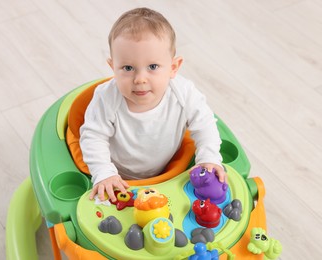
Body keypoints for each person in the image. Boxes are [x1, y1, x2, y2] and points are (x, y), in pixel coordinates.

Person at [80, 7, 226, 202]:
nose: (140, 79)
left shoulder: (184, 93)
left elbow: (205, 124)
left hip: (167, 173)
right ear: (112, 67)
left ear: (173, 67)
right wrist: (104, 173)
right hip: (116, 175)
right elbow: (93, 137)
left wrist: (208, 158)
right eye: (128, 68)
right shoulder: (106, 98)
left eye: (153, 67)